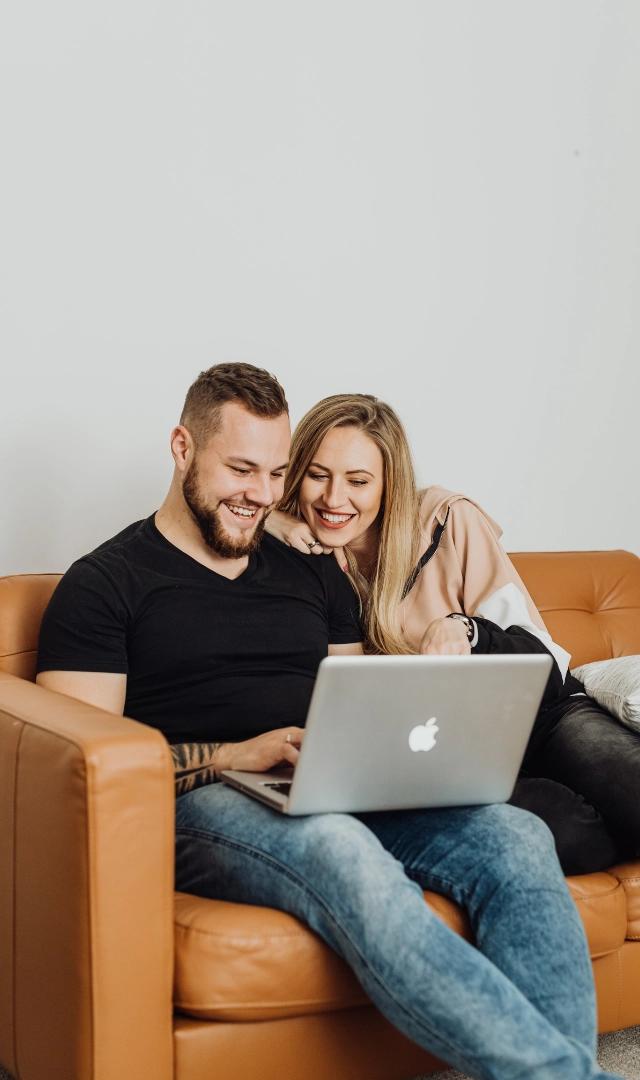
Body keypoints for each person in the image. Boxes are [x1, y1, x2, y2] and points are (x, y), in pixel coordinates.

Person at [36, 364, 618, 1080]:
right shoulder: (104, 584)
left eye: (277, 473)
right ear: (182, 447)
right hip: (207, 801)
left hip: (332, 777)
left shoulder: (311, 568)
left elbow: (356, 691)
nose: (260, 494)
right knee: (341, 849)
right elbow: (81, 768)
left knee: (517, 836)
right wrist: (228, 756)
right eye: (240, 468)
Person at [269, 392, 638, 874]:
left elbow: (544, 658)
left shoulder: (447, 521)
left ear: (388, 483)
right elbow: (222, 510)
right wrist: (271, 520)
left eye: (358, 481)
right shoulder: (302, 562)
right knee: (567, 834)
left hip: (543, 716)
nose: (334, 499)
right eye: (318, 475)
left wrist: (468, 631)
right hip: (448, 753)